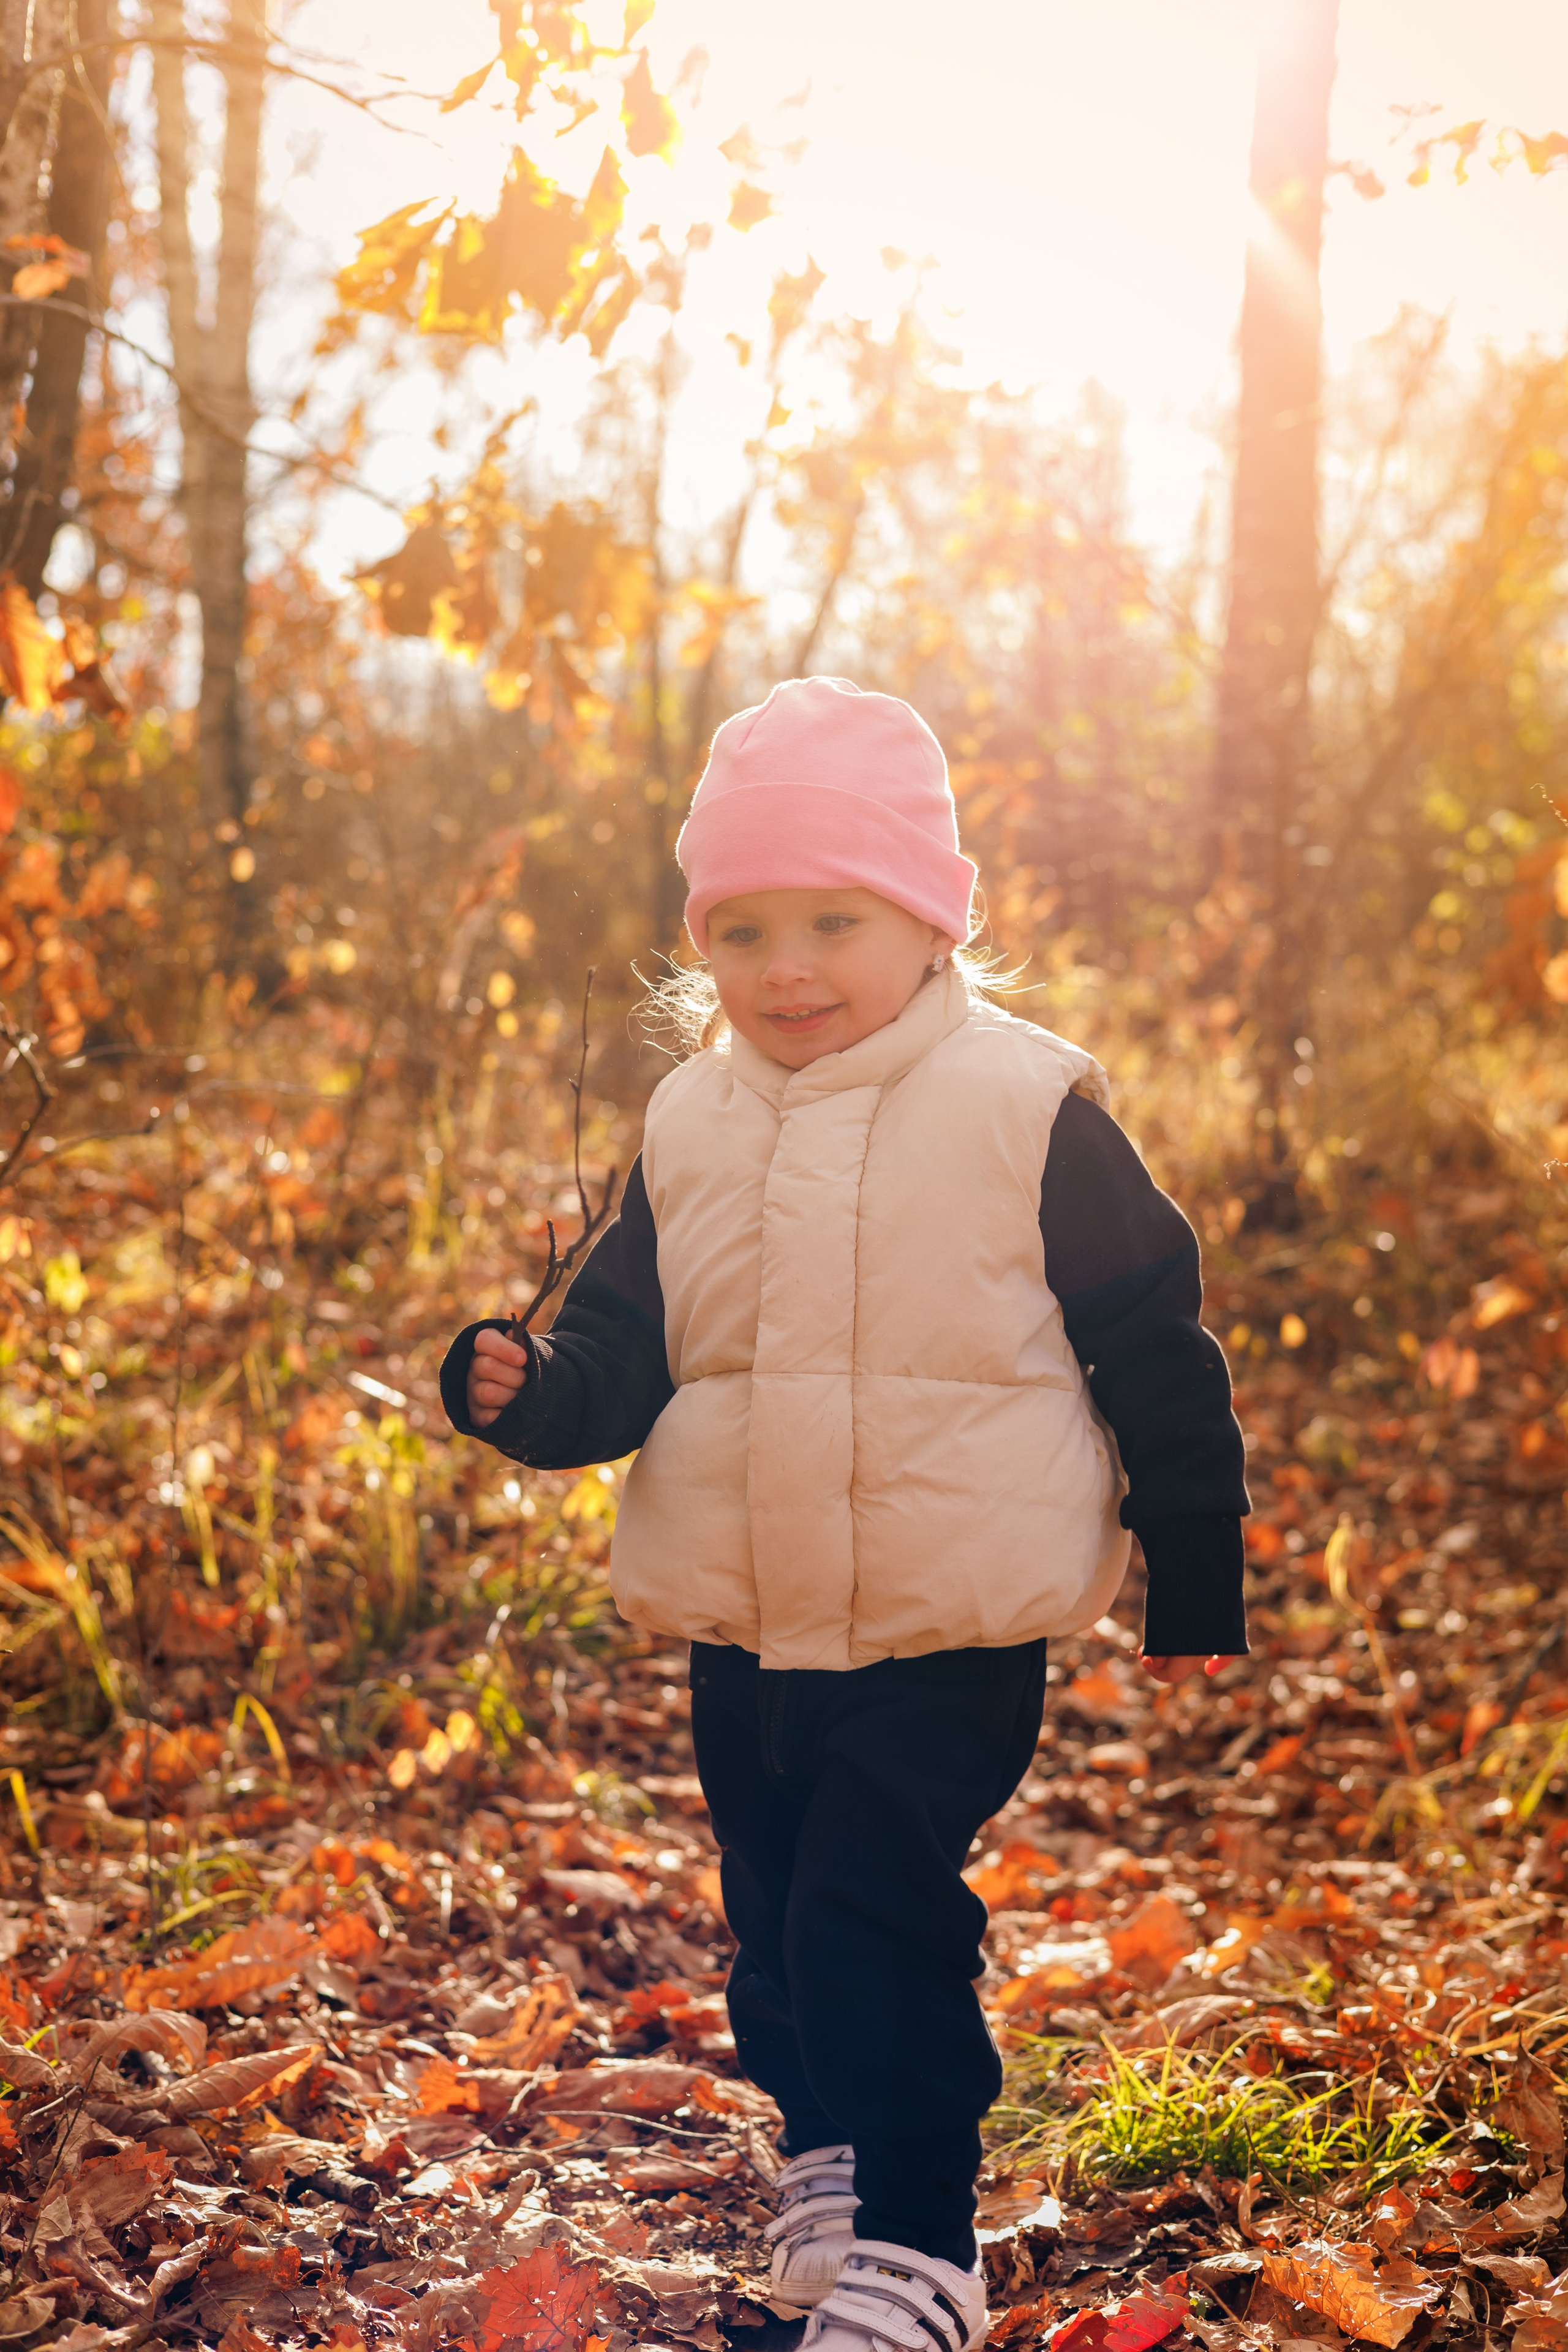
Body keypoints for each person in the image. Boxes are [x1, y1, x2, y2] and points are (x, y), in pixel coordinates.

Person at [440, 677, 1249, 2352]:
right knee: (775, 1915)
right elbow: (629, 1351)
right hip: (748, 1615)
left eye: (834, 921)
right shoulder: (692, 1119)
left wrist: (1196, 1570)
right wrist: (533, 1392)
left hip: (948, 1617)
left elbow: (1156, 1347)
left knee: (871, 1909)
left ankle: (922, 2244)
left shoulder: (1026, 1108)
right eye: (742, 931)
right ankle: (828, 2152)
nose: (787, 969)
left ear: (932, 921)